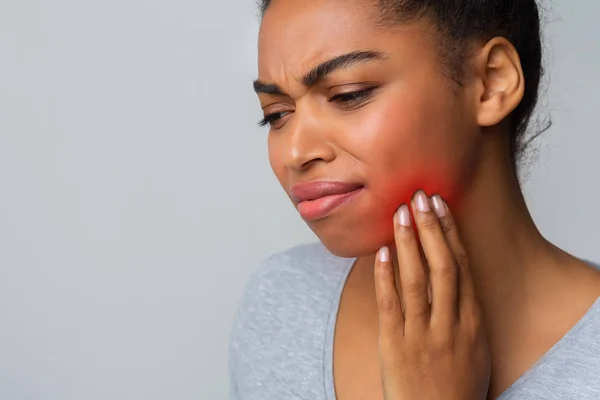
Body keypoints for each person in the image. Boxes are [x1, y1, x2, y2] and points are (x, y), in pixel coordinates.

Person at [228, 0, 600, 399]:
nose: (295, 152)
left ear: (492, 82)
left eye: (348, 94)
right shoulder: (280, 305)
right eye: (277, 114)